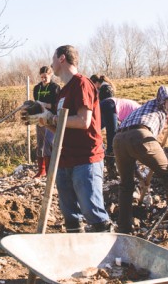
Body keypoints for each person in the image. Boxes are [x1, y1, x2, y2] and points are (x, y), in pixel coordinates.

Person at [25, 45, 112, 233]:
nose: (51, 63)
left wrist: (52, 118)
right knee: (70, 216)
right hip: (64, 159)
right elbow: (60, 128)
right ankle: (77, 253)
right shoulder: (63, 92)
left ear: (62, 58)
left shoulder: (81, 84)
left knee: (93, 212)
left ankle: (108, 253)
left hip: (85, 158)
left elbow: (83, 121)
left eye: (53, 59)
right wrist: (42, 120)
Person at [113, 85, 168, 236]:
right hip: (139, 135)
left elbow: (146, 150)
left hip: (118, 139)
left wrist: (141, 177)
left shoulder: (144, 113)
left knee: (126, 184)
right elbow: (163, 89)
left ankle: (124, 228)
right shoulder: (158, 103)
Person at [100, 97, 141, 179]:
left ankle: (103, 156)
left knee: (95, 131)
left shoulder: (138, 111)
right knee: (113, 139)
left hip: (105, 104)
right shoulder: (140, 117)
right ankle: (112, 171)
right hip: (111, 106)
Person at [32, 66, 61, 178]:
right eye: (42, 77)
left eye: (46, 77)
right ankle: (41, 170)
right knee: (40, 143)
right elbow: (36, 101)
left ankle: (51, 170)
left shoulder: (55, 87)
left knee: (49, 142)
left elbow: (57, 105)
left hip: (51, 117)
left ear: (51, 75)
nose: (43, 79)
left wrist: (45, 105)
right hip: (40, 116)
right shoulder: (37, 88)